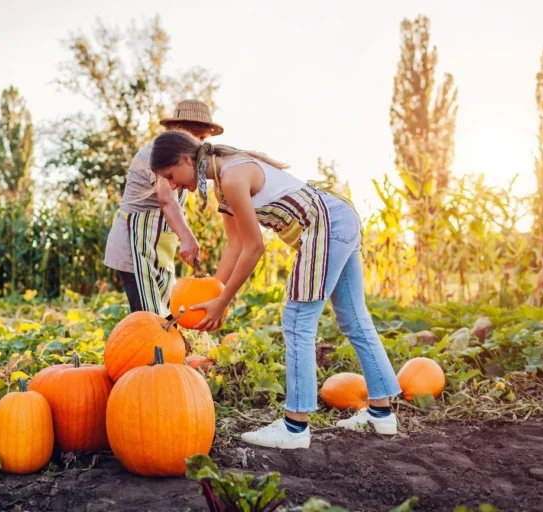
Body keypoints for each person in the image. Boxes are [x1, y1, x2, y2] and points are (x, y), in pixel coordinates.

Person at [148, 130, 402, 449]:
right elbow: (236, 244)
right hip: (339, 217)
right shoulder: (224, 185)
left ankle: (294, 429)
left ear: (186, 159)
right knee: (354, 319)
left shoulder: (232, 176)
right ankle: (381, 413)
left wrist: (223, 301)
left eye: (171, 176)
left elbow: (255, 248)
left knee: (297, 321)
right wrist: (213, 296)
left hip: (325, 226)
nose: (172, 185)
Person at [104, 100, 224, 318]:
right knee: (147, 318)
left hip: (159, 247)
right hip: (135, 245)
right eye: (193, 134)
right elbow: (166, 199)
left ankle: (172, 352)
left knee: (169, 314)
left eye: (203, 138)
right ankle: (148, 352)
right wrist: (188, 238)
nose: (198, 142)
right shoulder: (160, 154)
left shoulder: (184, 160)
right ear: (177, 130)